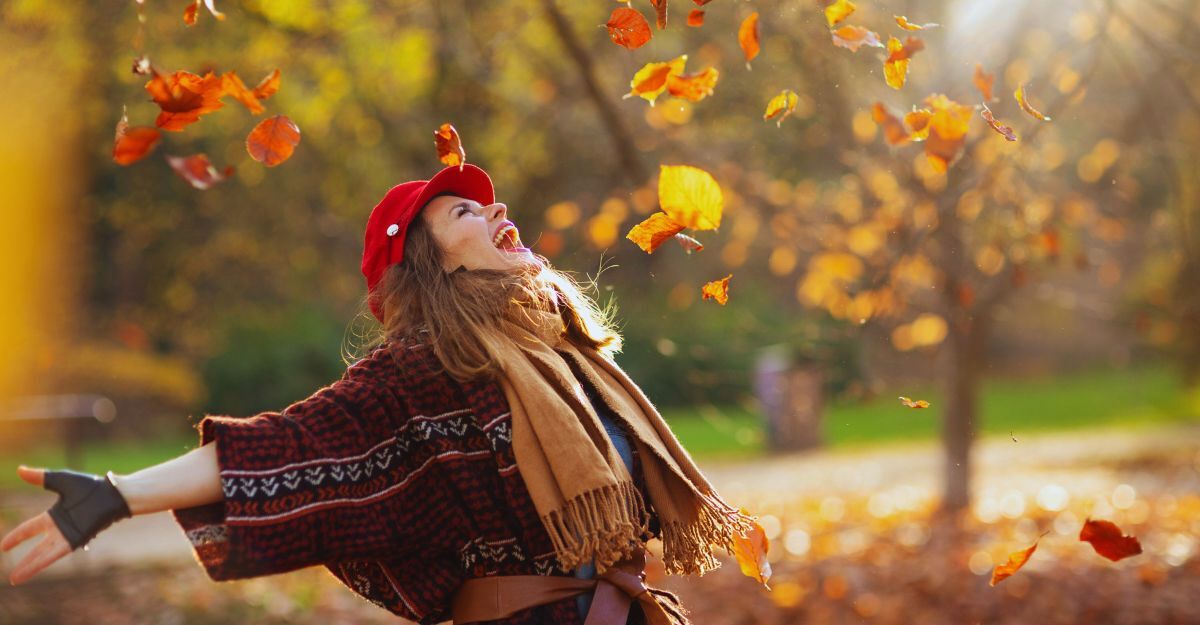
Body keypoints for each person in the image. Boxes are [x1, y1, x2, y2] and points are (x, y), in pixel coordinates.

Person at [1, 164, 755, 625]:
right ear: (436, 267)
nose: (496, 210)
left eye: (492, 205)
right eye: (465, 212)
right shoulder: (421, 372)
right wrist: (113, 495)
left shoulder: (566, 356)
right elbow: (284, 447)